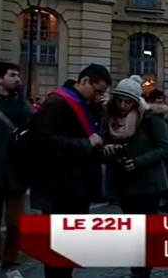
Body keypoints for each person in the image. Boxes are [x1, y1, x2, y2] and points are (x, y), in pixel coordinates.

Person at [31, 64, 111, 278]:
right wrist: (87, 143)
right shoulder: (57, 102)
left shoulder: (86, 103)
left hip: (77, 186)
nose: (99, 96)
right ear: (84, 81)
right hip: (58, 186)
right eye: (98, 91)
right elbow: (45, 141)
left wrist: (100, 109)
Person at [99, 76, 168, 278]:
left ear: (136, 102)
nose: (123, 106)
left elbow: (165, 148)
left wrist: (138, 161)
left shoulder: (150, 118)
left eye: (128, 101)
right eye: (120, 100)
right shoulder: (109, 118)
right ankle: (137, 270)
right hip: (124, 183)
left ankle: (142, 273)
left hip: (149, 183)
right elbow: (102, 146)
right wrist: (107, 151)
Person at [0, 62, 32, 278]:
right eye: (12, 75)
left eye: (19, 75)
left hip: (16, 172)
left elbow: (29, 119)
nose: (17, 78)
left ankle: (11, 263)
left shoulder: (20, 103)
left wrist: (20, 95)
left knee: (15, 224)